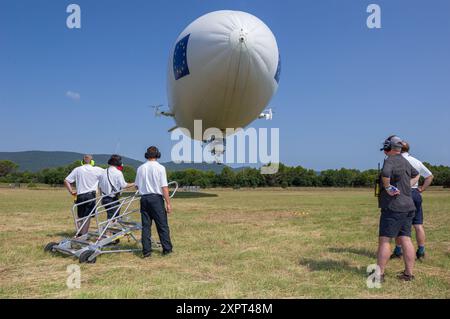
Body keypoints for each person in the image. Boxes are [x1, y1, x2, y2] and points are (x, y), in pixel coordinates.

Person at [376, 136, 420, 282]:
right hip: (408, 207)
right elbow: (416, 174)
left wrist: (388, 187)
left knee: (385, 240)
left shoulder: (390, 160)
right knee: (406, 238)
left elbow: (385, 174)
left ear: (389, 148)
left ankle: (379, 275)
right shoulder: (405, 161)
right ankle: (408, 274)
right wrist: (407, 185)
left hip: (393, 207)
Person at [391, 142, 433, 260]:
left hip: (402, 194)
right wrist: (422, 189)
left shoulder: (395, 160)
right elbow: (429, 176)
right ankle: (421, 251)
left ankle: (398, 250)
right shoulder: (416, 161)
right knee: (418, 225)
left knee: (400, 224)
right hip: (415, 193)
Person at [135, 146, 173, 258]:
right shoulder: (160, 168)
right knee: (162, 225)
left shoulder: (140, 168)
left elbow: (136, 186)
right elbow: (164, 187)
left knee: (146, 226)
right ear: (158, 155)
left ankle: (146, 251)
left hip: (144, 198)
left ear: (146, 155)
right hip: (156, 199)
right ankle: (167, 249)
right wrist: (168, 203)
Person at [64, 155, 104, 236]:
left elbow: (66, 180)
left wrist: (71, 191)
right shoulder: (97, 169)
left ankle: (79, 232)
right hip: (90, 196)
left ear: (82, 162)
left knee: (80, 215)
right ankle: (84, 234)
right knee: (88, 216)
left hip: (80, 195)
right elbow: (108, 173)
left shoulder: (77, 169)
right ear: (92, 162)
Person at [98, 155, 134, 220]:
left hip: (104, 198)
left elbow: (100, 187)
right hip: (112, 198)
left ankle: (112, 227)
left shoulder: (103, 172)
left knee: (113, 215)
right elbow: (124, 185)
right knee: (112, 218)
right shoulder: (118, 173)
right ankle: (109, 229)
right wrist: (135, 183)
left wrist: (101, 198)